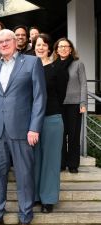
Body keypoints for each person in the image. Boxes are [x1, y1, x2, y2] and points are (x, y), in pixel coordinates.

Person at [0, 29, 46, 225]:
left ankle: (25, 215)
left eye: (7, 40)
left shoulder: (32, 62)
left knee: (24, 175)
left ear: (15, 41)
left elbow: (39, 98)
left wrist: (34, 127)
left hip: (23, 130)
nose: (3, 44)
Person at [33, 34, 71, 214]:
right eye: (37, 45)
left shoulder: (58, 69)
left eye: (43, 45)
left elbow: (61, 95)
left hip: (52, 118)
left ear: (49, 48)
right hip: (32, 121)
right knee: (35, 159)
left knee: (50, 160)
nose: (40, 48)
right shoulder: (28, 67)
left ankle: (48, 199)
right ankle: (35, 196)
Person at [53, 37, 88, 174]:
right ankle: (61, 163)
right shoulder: (53, 64)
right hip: (58, 105)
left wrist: (83, 102)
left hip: (74, 104)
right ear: (56, 49)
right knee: (60, 135)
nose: (63, 49)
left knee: (73, 135)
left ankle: (73, 164)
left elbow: (84, 83)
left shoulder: (78, 64)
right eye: (60, 46)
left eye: (66, 46)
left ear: (71, 49)